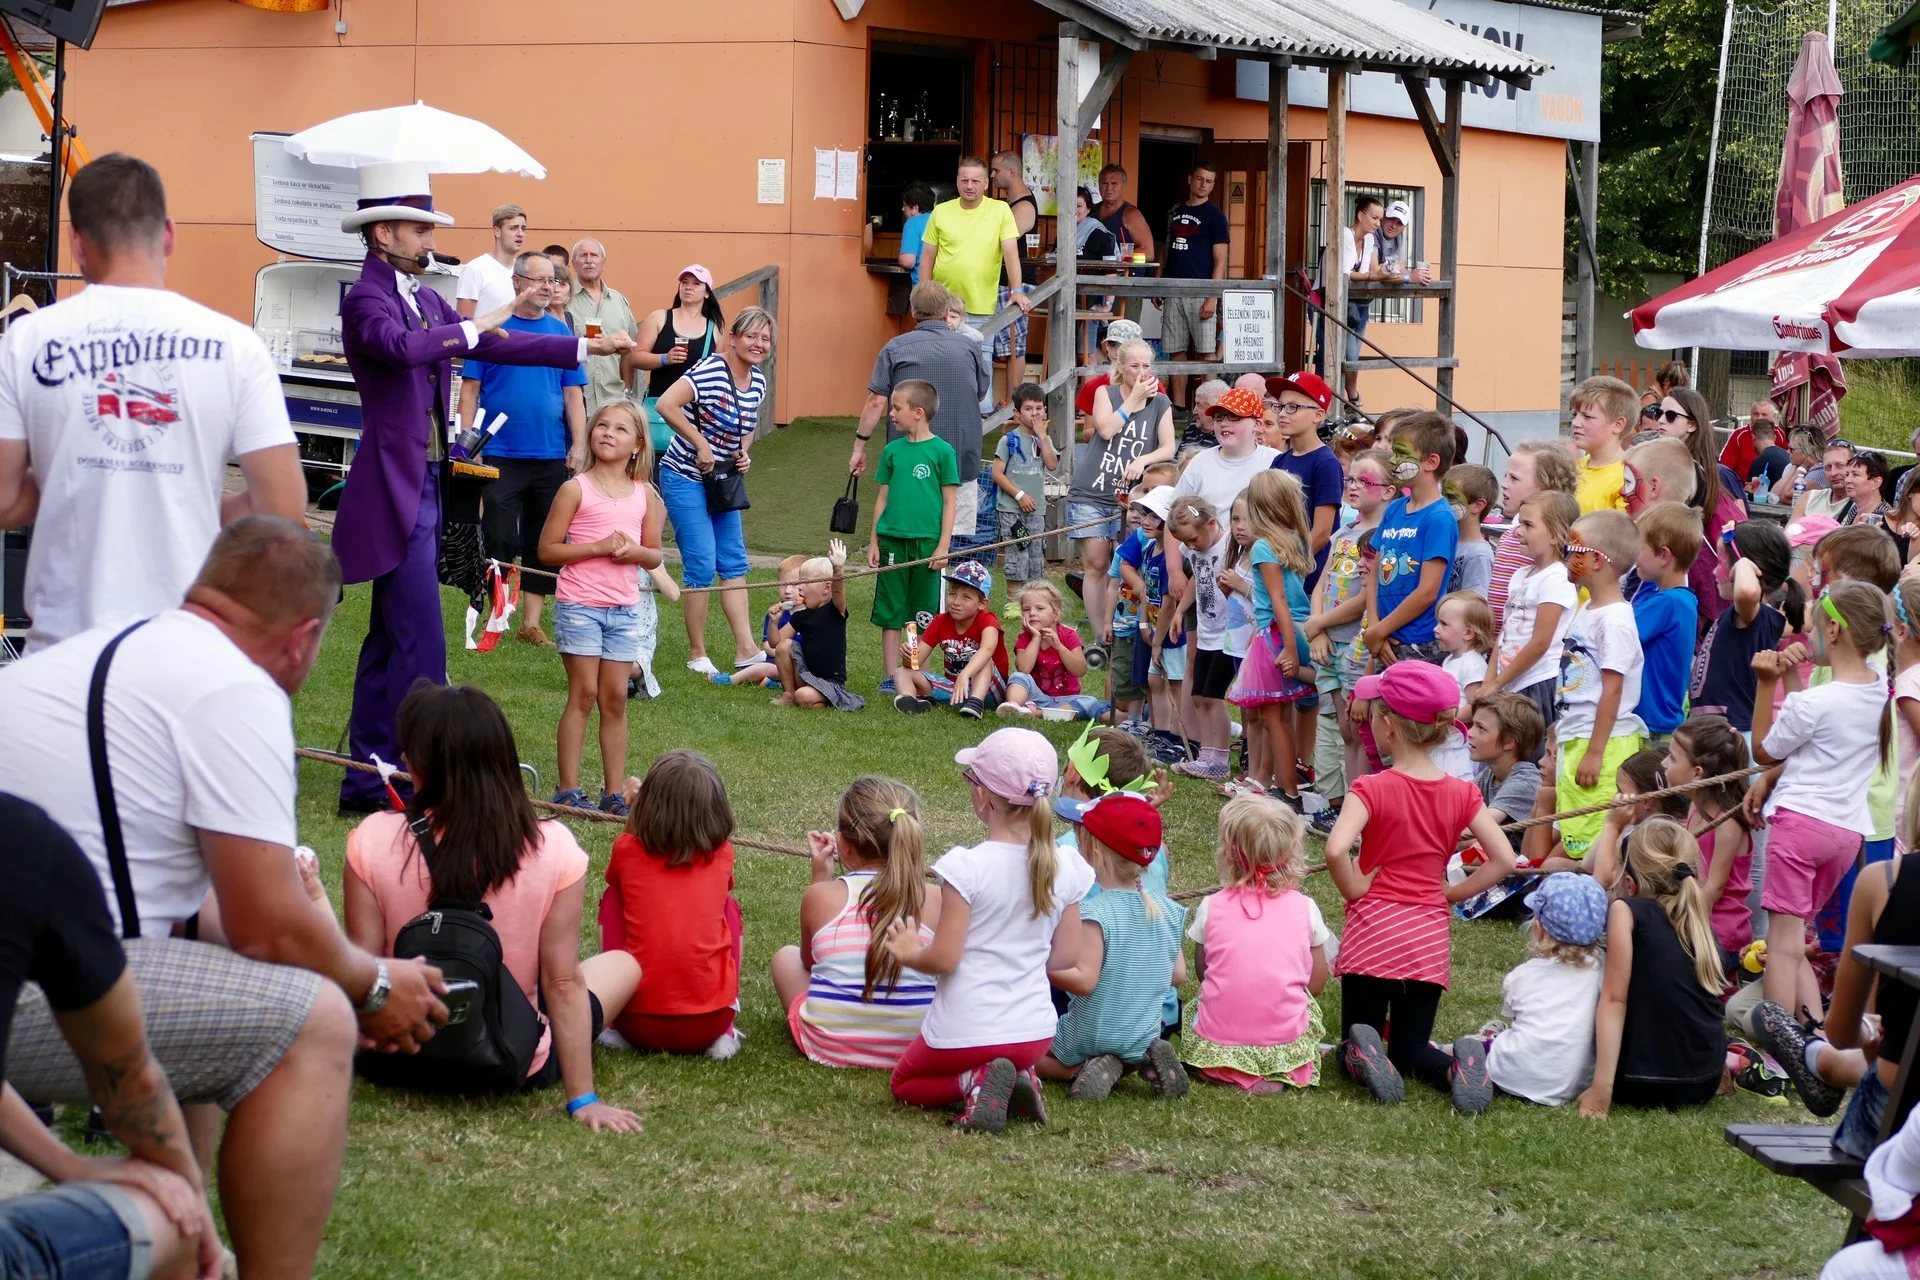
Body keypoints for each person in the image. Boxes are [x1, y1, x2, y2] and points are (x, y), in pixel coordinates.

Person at [0, 517, 440, 1279]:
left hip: (38, 956)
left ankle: (182, 1243)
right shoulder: (234, 685)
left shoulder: (106, 649)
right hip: (30, 987)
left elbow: (223, 921)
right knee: (314, 1022)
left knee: (215, 962)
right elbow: (270, 926)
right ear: (304, 638)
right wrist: (372, 984)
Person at [331, 163, 628, 814]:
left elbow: (497, 343)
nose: (429, 239)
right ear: (383, 234)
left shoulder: (423, 297)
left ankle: (367, 780)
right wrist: (479, 323)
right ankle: (422, 779)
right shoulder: (367, 300)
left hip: (428, 482)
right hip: (394, 486)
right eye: (419, 229)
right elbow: (404, 348)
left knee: (389, 637)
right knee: (420, 642)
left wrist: (584, 349)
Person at [0, 152, 304, 653]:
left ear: (77, 243)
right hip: (184, 645)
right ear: (168, 234)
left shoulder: (25, 341)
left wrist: (68, 475)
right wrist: (199, 498)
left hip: (63, 652)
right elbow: (283, 508)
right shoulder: (236, 347)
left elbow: (4, 497)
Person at [343, 685, 643, 1130]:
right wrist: (584, 1100)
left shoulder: (371, 837)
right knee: (622, 964)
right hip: (509, 1058)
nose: (403, 759)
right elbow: (562, 982)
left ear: (422, 765)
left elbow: (363, 970)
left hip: (394, 1057)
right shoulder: (553, 846)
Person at [0, 795, 217, 1280]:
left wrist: (67, 1164)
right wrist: (189, 1195)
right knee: (174, 1218)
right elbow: (129, 1075)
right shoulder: (25, 840)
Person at [880, 728, 1096, 1132]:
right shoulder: (1068, 866)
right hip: (1034, 1035)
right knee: (997, 1055)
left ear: (983, 796)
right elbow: (1066, 958)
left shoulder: (966, 867)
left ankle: (975, 1081)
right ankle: (1017, 1077)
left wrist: (910, 951)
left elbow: (945, 958)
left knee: (905, 1084)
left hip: (966, 1030)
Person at [1324, 662, 1517, 1110]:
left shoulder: (1371, 787)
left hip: (1374, 931)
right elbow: (1505, 859)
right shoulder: (1462, 793)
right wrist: (1452, 893)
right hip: (1427, 935)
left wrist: (1353, 888)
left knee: (1356, 1038)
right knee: (1410, 1049)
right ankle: (1455, 1069)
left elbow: (1336, 849)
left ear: (1388, 726)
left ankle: (1360, 1054)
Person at [1750, 578, 1893, 1023]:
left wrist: (1766, 683)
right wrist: (1791, 677)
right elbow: (1812, 720)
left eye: (1813, 627)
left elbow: (1764, 751)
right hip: (1846, 836)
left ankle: (1778, 1043)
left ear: (1834, 631)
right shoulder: (1880, 689)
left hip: (1799, 828)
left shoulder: (1816, 703)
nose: (1807, 635)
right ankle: (1810, 1032)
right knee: (1795, 940)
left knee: (1782, 945)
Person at [457, 250, 589, 648]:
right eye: (539, 279)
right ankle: (497, 612)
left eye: (553, 280)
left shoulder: (561, 333)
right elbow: (470, 390)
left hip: (549, 453)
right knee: (499, 537)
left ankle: (531, 623)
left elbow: (573, 395)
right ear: (517, 282)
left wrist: (579, 443)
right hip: (499, 451)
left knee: (542, 539)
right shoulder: (493, 329)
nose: (548, 287)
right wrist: (468, 444)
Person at [537, 401, 662, 814]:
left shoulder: (645, 495)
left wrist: (635, 553)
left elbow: (654, 554)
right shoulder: (575, 489)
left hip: (624, 609)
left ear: (638, 444)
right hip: (579, 606)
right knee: (584, 693)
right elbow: (547, 550)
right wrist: (598, 547)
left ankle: (614, 794)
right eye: (602, 425)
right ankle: (567, 789)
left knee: (616, 698)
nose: (608, 433)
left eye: (620, 429)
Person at [773, 776, 939, 1070]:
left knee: (785, 958)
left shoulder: (820, 896)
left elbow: (810, 963)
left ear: (844, 846)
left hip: (830, 1046)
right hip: (917, 1047)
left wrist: (820, 877)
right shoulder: (936, 897)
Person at [1174, 794, 1331, 1092]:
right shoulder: (1305, 908)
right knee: (1303, 1008)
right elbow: (1317, 982)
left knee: (1201, 1004)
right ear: (1292, 852)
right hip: (1284, 1043)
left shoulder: (1211, 905)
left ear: (1229, 853)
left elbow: (1204, 971)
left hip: (1218, 1048)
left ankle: (1228, 1068)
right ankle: (1276, 1068)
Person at [1039, 793, 1187, 1100]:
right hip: (1143, 1032)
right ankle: (1140, 1059)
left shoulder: (1095, 913)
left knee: (1032, 1056)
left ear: (1094, 853)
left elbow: (1084, 981)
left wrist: (1045, 966)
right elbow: (1178, 975)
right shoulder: (1166, 910)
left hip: (1090, 1032)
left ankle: (1082, 1068)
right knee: (1131, 1041)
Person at [1576, 818, 1728, 1117]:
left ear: (1630, 882)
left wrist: (1600, 1092)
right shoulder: (1695, 913)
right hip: (1703, 1082)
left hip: (1642, 1083)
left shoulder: (1626, 910)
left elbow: (1614, 1000)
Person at [598, 750, 745, 1059]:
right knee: (728, 905)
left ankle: (613, 1010)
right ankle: (727, 1025)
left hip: (635, 1024)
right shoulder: (723, 854)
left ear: (647, 806)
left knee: (613, 898)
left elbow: (617, 876)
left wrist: (636, 809)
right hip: (711, 1023)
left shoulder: (627, 850)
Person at [656, 306, 776, 677]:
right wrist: (700, 443)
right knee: (702, 564)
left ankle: (746, 649)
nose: (759, 344)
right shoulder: (710, 370)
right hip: (684, 475)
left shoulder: (757, 381)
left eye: (765, 338)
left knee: (734, 562)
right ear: (733, 338)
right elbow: (666, 404)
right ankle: (697, 653)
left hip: (723, 481)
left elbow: (747, 424)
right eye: (751, 336)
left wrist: (743, 453)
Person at [851, 281, 990, 587]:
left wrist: (860, 445)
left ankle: (918, 601)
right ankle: (945, 603)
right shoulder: (968, 346)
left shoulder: (895, 347)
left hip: (910, 460)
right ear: (946, 311)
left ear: (913, 311)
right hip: (959, 457)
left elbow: (876, 401)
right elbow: (981, 393)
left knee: (909, 536)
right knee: (953, 537)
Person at [1552, 510, 1648, 860]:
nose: (1566, 556)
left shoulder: (1615, 620)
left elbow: (1612, 689)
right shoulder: (1590, 609)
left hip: (1603, 745)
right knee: (1574, 833)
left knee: (1593, 844)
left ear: (1597, 560)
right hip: (1578, 735)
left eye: (1572, 549)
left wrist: (1595, 752)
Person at [1072, 338, 1178, 635]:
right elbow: (1105, 430)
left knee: (1126, 564)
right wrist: (1133, 399)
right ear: (1120, 367)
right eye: (1134, 366)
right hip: (1092, 491)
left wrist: (1143, 459)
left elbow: (1168, 447)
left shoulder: (1160, 402)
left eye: (1147, 365)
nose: (1142, 372)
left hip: (1134, 497)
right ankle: (1099, 639)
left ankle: (1124, 629)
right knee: (1096, 564)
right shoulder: (1105, 392)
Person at [1306, 448, 1393, 809]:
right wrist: (1317, 630)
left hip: (1356, 645)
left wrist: (1319, 623)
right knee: (1344, 730)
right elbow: (1322, 583)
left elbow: (1365, 599)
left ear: (1388, 490)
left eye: (1364, 480)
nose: (1353, 486)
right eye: (1350, 479)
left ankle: (1363, 808)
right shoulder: (1345, 531)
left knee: (1360, 730)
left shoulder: (1385, 536)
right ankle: (1345, 806)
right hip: (1329, 643)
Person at [1230, 470, 1318, 808]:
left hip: (1277, 636)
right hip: (1293, 629)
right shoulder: (1294, 538)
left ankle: (1288, 791)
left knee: (1272, 718)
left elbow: (1277, 599)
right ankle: (1286, 785)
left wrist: (1290, 649)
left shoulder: (1264, 546)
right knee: (1281, 717)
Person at [1483, 872, 1607, 1106]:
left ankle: (1450, 1053)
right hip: (1576, 1084)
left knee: (1481, 1047)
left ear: (1539, 928)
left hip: (1510, 1075)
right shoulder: (1606, 971)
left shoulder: (1524, 974)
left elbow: (1514, 1013)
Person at [867, 378, 959, 679]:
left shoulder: (943, 452)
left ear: (918, 412)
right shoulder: (892, 451)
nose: (891, 414)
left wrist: (943, 545)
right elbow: (882, 498)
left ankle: (917, 675)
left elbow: (950, 502)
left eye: (897, 408)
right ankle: (891, 676)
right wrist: (874, 541)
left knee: (921, 614)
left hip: (927, 544)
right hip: (893, 542)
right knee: (892, 612)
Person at [1360, 411, 1458, 668]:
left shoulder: (1439, 518)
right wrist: (1374, 627)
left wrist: (1380, 630)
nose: (1392, 460)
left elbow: (1427, 592)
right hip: (1383, 636)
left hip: (1417, 643)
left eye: (1401, 453)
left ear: (1431, 461)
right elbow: (1375, 572)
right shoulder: (1394, 509)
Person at [1662, 714, 1754, 972]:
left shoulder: (1727, 823)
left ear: (1697, 773)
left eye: (1672, 758)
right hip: (1695, 921)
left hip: (1718, 935)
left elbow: (1713, 889)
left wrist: (1675, 926)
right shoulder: (1695, 807)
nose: (1663, 763)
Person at [1692, 518, 1800, 736]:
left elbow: (1747, 592)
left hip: (1732, 735)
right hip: (1715, 730)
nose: (1714, 572)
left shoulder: (1752, 616)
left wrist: (1741, 563)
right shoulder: (1749, 616)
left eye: (1722, 563)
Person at [1484, 491, 1578, 728]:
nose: (1518, 531)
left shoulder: (1557, 578)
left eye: (1528, 525)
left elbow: (1540, 643)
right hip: (1508, 681)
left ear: (1555, 535)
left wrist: (1496, 684)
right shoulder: (1520, 575)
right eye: (1519, 523)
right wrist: (1489, 680)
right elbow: (1506, 632)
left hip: (1536, 682)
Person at [1161, 495, 1238, 782]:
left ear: (1211, 523)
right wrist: (1181, 611)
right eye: (1185, 542)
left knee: (1214, 696)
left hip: (1227, 634)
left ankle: (1220, 758)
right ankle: (1206, 754)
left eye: (1193, 539)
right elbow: (1196, 576)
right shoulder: (1194, 548)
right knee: (1198, 695)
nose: (1191, 546)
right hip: (1206, 632)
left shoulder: (1230, 546)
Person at [920, 157, 1033, 345]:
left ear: (986, 184)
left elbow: (1011, 254)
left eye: (975, 181)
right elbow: (927, 258)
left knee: (980, 361)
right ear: (957, 182)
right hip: (942, 308)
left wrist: (1016, 290)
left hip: (981, 308)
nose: (969, 186)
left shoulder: (1000, 210)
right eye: (965, 180)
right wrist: (925, 297)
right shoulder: (940, 211)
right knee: (940, 360)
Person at [1488, 440, 1579, 634]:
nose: (1504, 484)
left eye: (1514, 478)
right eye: (1506, 476)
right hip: (1499, 643)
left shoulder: (1545, 545)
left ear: (1544, 489)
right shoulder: (1510, 536)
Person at [635, 265, 725, 459]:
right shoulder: (659, 318)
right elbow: (635, 357)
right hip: (659, 405)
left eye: (696, 283)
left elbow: (719, 375)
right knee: (652, 465)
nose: (688, 287)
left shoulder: (715, 330)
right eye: (684, 282)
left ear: (707, 293)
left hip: (695, 413)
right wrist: (664, 358)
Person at [893, 560, 1006, 716]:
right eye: (952, 594)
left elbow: (987, 650)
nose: (956, 602)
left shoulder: (988, 621)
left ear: (982, 603)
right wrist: (909, 656)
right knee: (901, 672)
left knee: (985, 661)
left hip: (990, 691)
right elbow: (915, 663)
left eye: (966, 597)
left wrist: (965, 675)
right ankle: (911, 701)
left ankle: (976, 703)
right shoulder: (941, 621)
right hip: (956, 689)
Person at [1159, 163, 1229, 413]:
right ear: (1190, 179)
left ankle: (1211, 407)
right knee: (1175, 350)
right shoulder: (1175, 211)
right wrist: (1159, 282)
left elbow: (1221, 260)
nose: (1203, 184)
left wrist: (1212, 297)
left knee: (1206, 352)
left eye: (1209, 181)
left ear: (1213, 185)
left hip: (1201, 291)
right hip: (1173, 289)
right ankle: (1178, 406)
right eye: (1200, 179)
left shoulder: (1216, 216)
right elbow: (1164, 249)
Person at [1631, 501, 1702, 742]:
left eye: (1640, 548)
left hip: (1649, 725)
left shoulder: (1667, 603)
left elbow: (1619, 633)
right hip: (1660, 723)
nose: (1635, 557)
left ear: (1663, 555)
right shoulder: (1681, 600)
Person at [1266, 371, 1343, 591]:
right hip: (1276, 570)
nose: (1282, 414)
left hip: (1306, 581)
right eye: (1280, 406)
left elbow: (1321, 532)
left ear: (1318, 415)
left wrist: (1288, 569)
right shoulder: (1279, 460)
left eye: (1293, 407)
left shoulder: (1325, 463)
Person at [1315, 194, 1387, 410]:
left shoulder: (1369, 240)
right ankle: (1323, 403)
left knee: (1351, 355)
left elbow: (1361, 274)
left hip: (1352, 303)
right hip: (1326, 301)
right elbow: (1345, 274)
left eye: (1380, 219)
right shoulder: (1345, 234)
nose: (1378, 223)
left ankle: (1347, 402)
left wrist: (1372, 275)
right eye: (1374, 218)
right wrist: (1375, 275)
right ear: (1360, 215)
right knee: (1329, 352)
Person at [774, 541, 864, 712]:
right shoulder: (800, 615)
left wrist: (838, 568)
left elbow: (838, 590)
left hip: (830, 683)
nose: (799, 588)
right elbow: (776, 643)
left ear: (826, 587)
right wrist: (773, 621)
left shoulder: (835, 610)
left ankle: (820, 699)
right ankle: (789, 694)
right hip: (806, 676)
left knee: (804, 696)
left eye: (805, 583)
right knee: (785, 645)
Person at [999, 579, 1104, 720]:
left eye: (1040, 608)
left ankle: (1037, 713)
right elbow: (1024, 668)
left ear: (1056, 614)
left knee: (1090, 702)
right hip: (1036, 696)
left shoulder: (1069, 635)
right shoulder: (1025, 638)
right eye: (1026, 609)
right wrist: (1035, 638)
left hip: (1065, 700)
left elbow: (1080, 670)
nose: (1032, 613)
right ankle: (1014, 706)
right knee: (1018, 677)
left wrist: (1059, 647)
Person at [991, 382, 1058, 598]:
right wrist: (1019, 495)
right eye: (1028, 409)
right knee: (1017, 556)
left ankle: (1032, 602)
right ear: (1017, 413)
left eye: (1038, 408)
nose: (1034, 413)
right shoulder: (1008, 440)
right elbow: (997, 474)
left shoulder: (1044, 440)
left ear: (1044, 410)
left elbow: (1052, 464)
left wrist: (1043, 436)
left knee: (1035, 557)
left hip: (1036, 510)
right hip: (1012, 510)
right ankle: (1013, 604)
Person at [1646, 385, 1737, 539]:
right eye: (1659, 413)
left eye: (1671, 416)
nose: (1660, 420)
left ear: (1692, 425)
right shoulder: (1674, 461)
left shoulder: (1690, 470)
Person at [566, 238, 641, 419]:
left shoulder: (618, 301)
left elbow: (631, 353)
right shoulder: (565, 300)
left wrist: (629, 394)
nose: (589, 260)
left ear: (603, 263)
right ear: (574, 264)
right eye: (583, 256)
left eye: (594, 255)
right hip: (576, 400)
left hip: (613, 400)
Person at [988, 151, 1038, 389]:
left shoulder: (1025, 205)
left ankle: (1013, 402)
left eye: (996, 170)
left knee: (1013, 346)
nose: (992, 175)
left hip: (1015, 282)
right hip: (1002, 280)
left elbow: (1004, 241)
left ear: (1012, 172)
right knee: (1001, 345)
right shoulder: (1010, 204)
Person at [1431, 590, 1493, 780]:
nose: (1436, 629)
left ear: (1468, 633)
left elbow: (1477, 706)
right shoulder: (1450, 660)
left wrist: (1449, 716)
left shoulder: (1472, 664)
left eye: (1444, 624)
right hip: (1444, 738)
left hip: (1459, 744)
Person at [1467, 691, 1546, 825]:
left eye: (1481, 728)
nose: (1469, 733)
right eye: (1473, 725)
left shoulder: (1525, 781)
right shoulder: (1490, 774)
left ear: (1509, 742)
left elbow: (1481, 827)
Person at [1569, 375, 1637, 514]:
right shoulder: (1573, 468)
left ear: (1617, 425)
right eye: (1574, 415)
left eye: (1587, 417)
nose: (1575, 423)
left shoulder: (1627, 478)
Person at [454, 203, 527, 319]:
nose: (520, 234)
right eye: (513, 228)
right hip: (486, 331)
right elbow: (463, 322)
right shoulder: (474, 269)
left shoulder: (525, 270)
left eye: (523, 228)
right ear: (497, 231)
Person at [1448, 465, 1498, 597]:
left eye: (1451, 497)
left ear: (1477, 505)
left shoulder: (1479, 555)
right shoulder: (1446, 541)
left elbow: (1473, 604)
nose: (1444, 503)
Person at [1093, 164, 1155, 261]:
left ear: (1124, 185)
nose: (1109, 188)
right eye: (1105, 183)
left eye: (1114, 183)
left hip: (1123, 269)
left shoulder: (1131, 214)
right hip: (1095, 268)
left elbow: (1149, 253)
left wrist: (1120, 258)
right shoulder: (1091, 211)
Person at [1719, 396, 1782, 481]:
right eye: (1756, 414)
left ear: (1774, 416)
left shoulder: (1780, 435)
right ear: (1750, 415)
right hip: (1743, 487)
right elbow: (1724, 467)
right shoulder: (1739, 435)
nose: (1759, 418)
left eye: (1764, 415)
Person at [895, 183, 936, 283]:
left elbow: (908, 261)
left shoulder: (912, 223)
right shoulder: (940, 219)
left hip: (923, 287)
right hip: (945, 286)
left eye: (905, 206)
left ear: (915, 208)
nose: (902, 209)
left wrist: (901, 255)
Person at [1843, 450, 1894, 529]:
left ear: (1876, 482)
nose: (1847, 480)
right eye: (1847, 474)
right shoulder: (1853, 510)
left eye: (1855, 474)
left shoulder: (1887, 520)